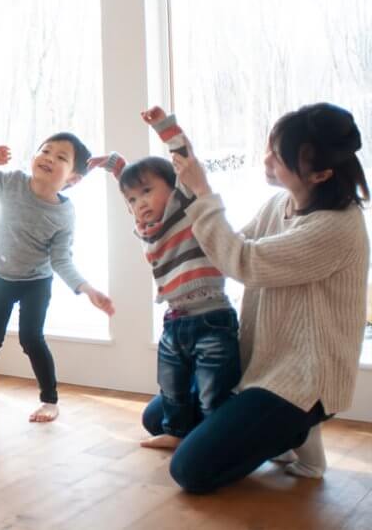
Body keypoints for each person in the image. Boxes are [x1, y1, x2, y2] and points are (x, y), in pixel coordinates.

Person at [144, 102, 369, 492]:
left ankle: (294, 431)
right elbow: (223, 247)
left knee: (190, 470)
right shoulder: (280, 204)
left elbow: (243, 261)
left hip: (302, 380)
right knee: (158, 416)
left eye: (278, 157)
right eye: (270, 147)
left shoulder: (337, 228)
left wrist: (202, 192)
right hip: (260, 364)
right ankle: (262, 429)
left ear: (321, 174)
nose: (266, 160)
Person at [89, 107, 240, 448]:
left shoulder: (183, 208)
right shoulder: (149, 230)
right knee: (171, 385)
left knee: (212, 388)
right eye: (132, 200)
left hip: (211, 318)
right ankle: (177, 432)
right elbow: (125, 186)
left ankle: (218, 440)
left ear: (174, 189)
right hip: (175, 321)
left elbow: (185, 158)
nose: (139, 203)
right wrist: (115, 166)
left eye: (146, 192)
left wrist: (164, 126)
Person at [0, 134, 115, 423]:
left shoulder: (64, 214)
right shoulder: (12, 182)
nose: (49, 157)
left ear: (74, 179)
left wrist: (86, 288)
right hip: (0, 278)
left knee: (31, 338)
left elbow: (61, 259)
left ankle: (49, 400)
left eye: (61, 157)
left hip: (36, 283)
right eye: (46, 150)